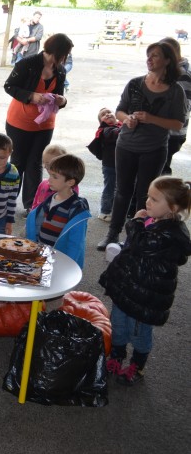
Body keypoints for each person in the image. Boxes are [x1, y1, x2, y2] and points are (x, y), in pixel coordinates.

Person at [99, 177, 191, 385]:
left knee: (139, 332)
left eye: (154, 199)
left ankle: (137, 365)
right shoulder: (155, 221)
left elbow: (141, 244)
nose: (147, 202)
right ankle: (116, 356)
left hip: (145, 296)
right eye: (148, 196)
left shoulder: (169, 234)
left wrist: (136, 222)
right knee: (119, 324)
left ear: (173, 208)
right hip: (129, 286)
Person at [97, 41, 187, 251]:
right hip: (126, 144)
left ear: (167, 60)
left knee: (146, 195)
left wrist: (151, 118)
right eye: (148, 55)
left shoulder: (175, 91)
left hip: (154, 149)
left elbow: (178, 124)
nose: (149, 59)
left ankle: (137, 237)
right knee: (122, 191)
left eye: (155, 55)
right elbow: (120, 110)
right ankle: (112, 234)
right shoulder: (135, 83)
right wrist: (127, 119)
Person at [4, 32, 73, 213]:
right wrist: (31, 96)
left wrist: (62, 101)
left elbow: (60, 97)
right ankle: (9, 203)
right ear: (57, 52)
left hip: (44, 125)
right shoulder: (27, 64)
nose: (66, 59)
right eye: (65, 54)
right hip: (19, 122)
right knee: (17, 162)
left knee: (36, 163)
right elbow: (9, 86)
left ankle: (31, 205)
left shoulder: (60, 70)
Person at [25, 154, 90, 268]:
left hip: (60, 260)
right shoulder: (50, 199)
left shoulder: (76, 210)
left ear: (70, 182)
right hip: (42, 256)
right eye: (50, 175)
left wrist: (68, 265)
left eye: (55, 177)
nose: (49, 179)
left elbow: (76, 244)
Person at [159, 37, 191, 175]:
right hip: (167, 131)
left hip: (172, 133)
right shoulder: (171, 72)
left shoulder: (182, 75)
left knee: (161, 170)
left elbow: (184, 107)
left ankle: (163, 196)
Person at [87, 108, 122, 222]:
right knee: (110, 188)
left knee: (119, 188)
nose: (107, 114)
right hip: (110, 166)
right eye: (103, 114)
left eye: (109, 112)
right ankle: (105, 211)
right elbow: (116, 134)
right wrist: (127, 126)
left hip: (120, 164)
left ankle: (115, 209)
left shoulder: (119, 126)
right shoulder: (105, 130)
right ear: (100, 121)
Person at [30, 144, 80, 211]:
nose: (45, 166)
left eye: (49, 164)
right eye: (44, 162)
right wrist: (33, 214)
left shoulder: (71, 186)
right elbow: (36, 202)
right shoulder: (43, 184)